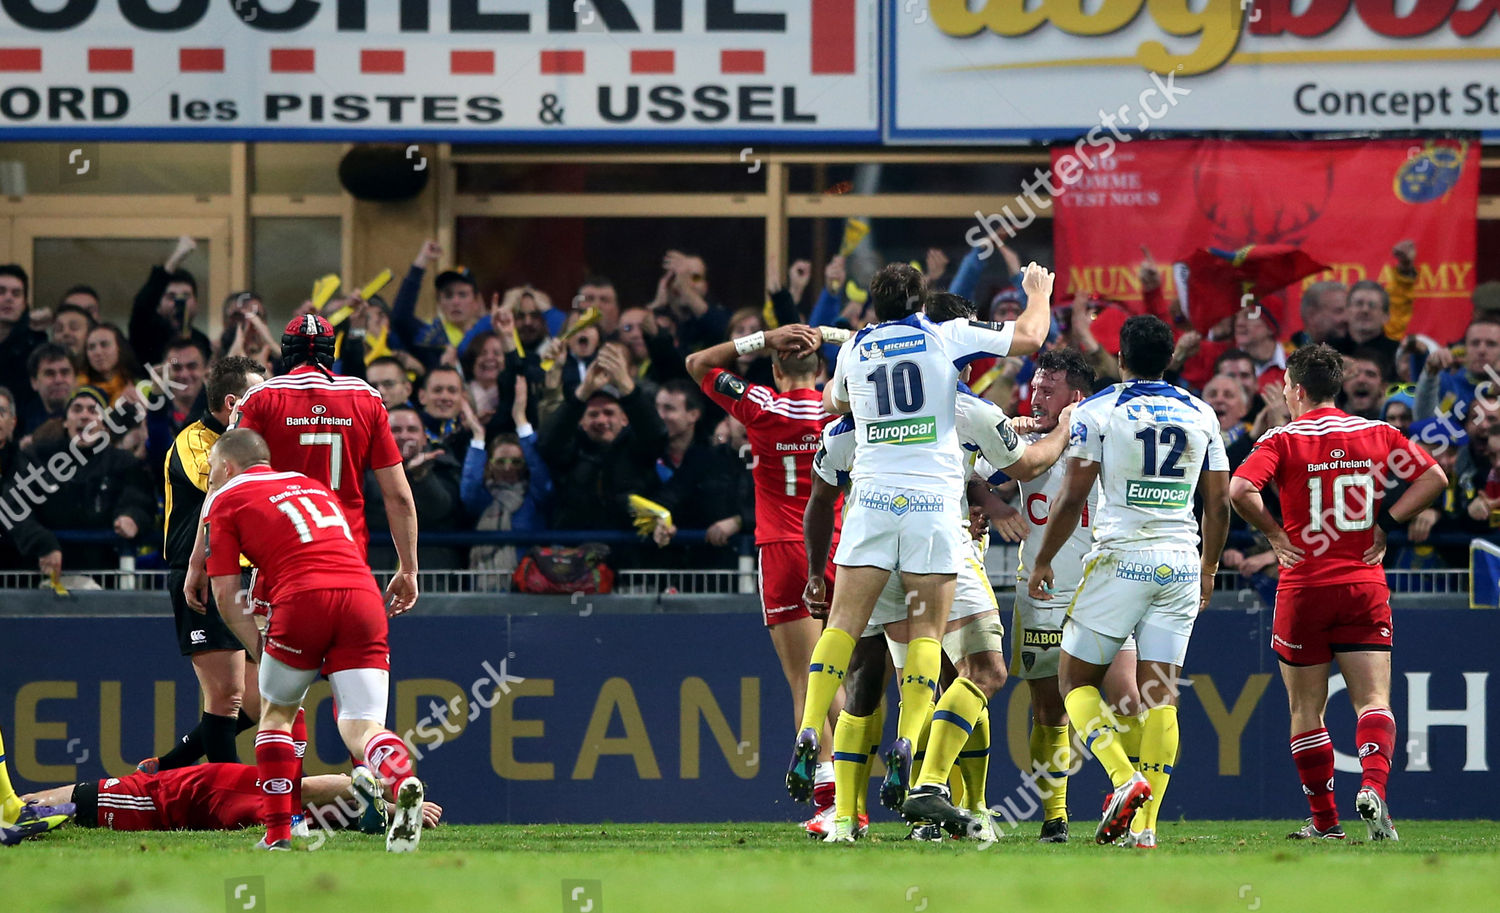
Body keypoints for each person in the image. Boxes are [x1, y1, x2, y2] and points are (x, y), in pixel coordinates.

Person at [787, 260, 1051, 815]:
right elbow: (1029, 337)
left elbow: (835, 403)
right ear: (920, 300)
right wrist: (1037, 292)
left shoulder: (856, 346)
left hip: (872, 500)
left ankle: (812, 730)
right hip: (932, 503)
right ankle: (910, 740)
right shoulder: (942, 333)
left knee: (841, 626)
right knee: (927, 633)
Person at [1230, 344, 1448, 841]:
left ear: (1299, 389)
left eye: (1286, 387)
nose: (1285, 394)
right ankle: (1373, 788)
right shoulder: (1377, 433)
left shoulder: (1280, 439)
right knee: (1372, 699)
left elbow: (1240, 490)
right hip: (1361, 582)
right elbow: (1433, 477)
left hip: (1303, 587)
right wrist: (1386, 523)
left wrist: (1274, 535)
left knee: (1306, 710)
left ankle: (1327, 824)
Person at [1027, 315, 1231, 848]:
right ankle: (1146, 830)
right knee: (1160, 694)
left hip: (1123, 557)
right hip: (1181, 561)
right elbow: (1218, 503)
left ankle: (1123, 777)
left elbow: (1073, 499)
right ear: (1168, 359)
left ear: (1119, 358)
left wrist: (1044, 558)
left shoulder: (1099, 411)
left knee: (1072, 681)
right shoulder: (1202, 412)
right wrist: (1209, 566)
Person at [198, 428, 424, 852]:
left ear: (227, 466)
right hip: (363, 595)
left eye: (211, 471)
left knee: (277, 713)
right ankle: (400, 777)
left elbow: (227, 595)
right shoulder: (311, 486)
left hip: (302, 597)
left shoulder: (224, 499)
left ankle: (279, 834)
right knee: (361, 725)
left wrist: (260, 648)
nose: (210, 479)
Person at [686, 320, 839, 829]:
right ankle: (852, 790)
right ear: (820, 368)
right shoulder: (840, 405)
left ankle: (826, 794)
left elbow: (698, 364)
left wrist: (760, 338)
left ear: (776, 368)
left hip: (782, 550)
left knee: (803, 680)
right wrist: (832, 333)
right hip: (839, 547)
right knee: (837, 674)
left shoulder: (758, 404)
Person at [991, 348, 1141, 844]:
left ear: (1076, 396)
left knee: (1123, 699)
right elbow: (964, 475)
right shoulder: (1021, 439)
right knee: (1048, 708)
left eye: (1047, 388)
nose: (1035, 395)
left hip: (1102, 587)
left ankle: (1134, 801)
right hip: (1042, 591)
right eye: (1034, 387)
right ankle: (1055, 817)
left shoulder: (1107, 434)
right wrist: (991, 506)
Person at [142, 356, 266, 776]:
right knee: (226, 695)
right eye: (258, 395)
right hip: (203, 575)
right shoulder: (194, 442)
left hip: (250, 574)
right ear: (233, 403)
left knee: (261, 697)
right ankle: (227, 796)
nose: (267, 402)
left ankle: (169, 764)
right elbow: (223, 485)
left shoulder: (255, 442)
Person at [4, 761, 440, 843]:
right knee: (297, 802)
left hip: (175, 797)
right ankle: (377, 807)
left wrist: (386, 789)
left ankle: (377, 805)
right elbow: (305, 786)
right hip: (192, 792)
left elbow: (305, 786)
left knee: (71, 802)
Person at [4, 387, 155, 579]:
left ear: (103, 423)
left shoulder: (123, 462)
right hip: (41, 573)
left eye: (93, 410)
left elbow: (139, 498)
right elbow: (13, 506)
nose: (84, 416)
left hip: (105, 575)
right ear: (65, 422)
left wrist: (132, 516)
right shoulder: (37, 457)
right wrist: (41, 543)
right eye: (77, 409)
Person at [537, 342, 667, 537]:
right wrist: (582, 393)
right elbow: (548, 442)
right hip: (577, 556)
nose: (601, 420)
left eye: (609, 413)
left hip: (628, 556)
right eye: (593, 414)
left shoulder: (638, 450)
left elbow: (656, 434)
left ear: (624, 419)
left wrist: (626, 386)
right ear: (581, 421)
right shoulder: (572, 451)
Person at [463, 378, 551, 584]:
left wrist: (520, 420)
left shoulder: (534, 497)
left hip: (530, 584)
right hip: (486, 587)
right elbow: (469, 491)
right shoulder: (484, 499)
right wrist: (478, 436)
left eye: (516, 461)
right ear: (490, 464)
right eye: (500, 461)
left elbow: (540, 474)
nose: (508, 467)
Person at [366, 406, 466, 572]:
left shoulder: (444, 465)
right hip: (376, 571)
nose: (404, 436)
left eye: (412, 429)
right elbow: (366, 516)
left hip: (432, 573)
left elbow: (442, 511)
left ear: (424, 437)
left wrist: (422, 477)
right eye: (395, 430)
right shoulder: (362, 469)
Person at [129, 235, 213, 367]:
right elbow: (142, 306)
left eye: (186, 296)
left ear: (196, 304)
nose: (179, 301)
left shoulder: (201, 340)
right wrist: (173, 262)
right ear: (158, 304)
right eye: (171, 296)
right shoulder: (147, 334)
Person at [0, 265, 45, 424]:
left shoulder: (37, 344)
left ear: (25, 303)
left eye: (16, 293)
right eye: (1, 291)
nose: (8, 298)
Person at [79, 323, 143, 405]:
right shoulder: (77, 388)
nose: (98, 352)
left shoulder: (138, 386)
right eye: (91, 347)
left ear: (120, 348)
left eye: (104, 344)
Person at [20, 343, 75, 436]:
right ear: (34, 382)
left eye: (65, 372)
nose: (58, 380)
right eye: (49, 373)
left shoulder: (95, 419)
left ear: (76, 379)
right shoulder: (21, 426)